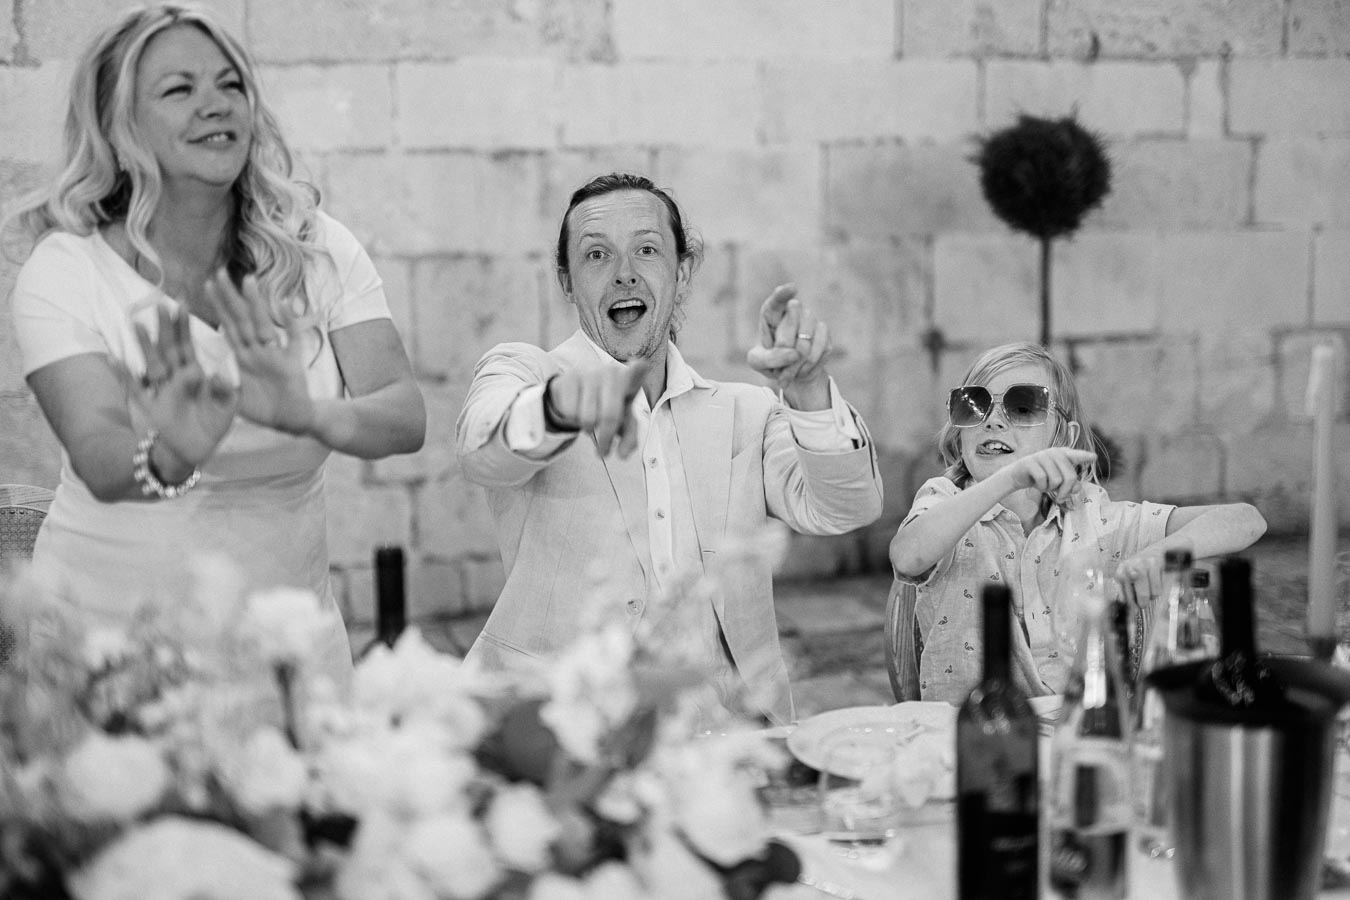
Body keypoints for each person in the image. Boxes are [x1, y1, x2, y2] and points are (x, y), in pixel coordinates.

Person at [3, 2, 425, 680]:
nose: (215, 104)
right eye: (180, 89)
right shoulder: (68, 270)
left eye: (230, 85)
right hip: (113, 651)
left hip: (288, 654)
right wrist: (177, 450)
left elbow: (403, 414)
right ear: (120, 124)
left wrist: (312, 413)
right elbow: (103, 459)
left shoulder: (316, 248)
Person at [456, 173, 884, 725]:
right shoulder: (526, 374)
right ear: (566, 282)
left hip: (727, 736)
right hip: (564, 734)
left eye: (647, 249)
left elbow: (848, 507)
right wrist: (561, 406)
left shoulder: (743, 412)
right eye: (596, 255)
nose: (624, 273)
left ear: (681, 274)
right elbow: (481, 448)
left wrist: (806, 391)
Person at [888, 341, 1266, 702]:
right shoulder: (944, 501)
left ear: (1062, 436)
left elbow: (1246, 520)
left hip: (1072, 733)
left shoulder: (1093, 519)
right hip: (970, 736)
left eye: (1023, 406)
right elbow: (908, 557)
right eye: (974, 406)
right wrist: (1011, 477)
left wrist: (1162, 553)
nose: (993, 421)